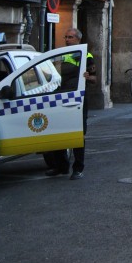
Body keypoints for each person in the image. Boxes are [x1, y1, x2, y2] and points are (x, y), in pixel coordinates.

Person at [47, 28, 97, 180]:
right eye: (66, 37)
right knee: (58, 132)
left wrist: (88, 77)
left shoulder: (86, 55)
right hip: (59, 97)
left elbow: (94, 79)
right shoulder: (60, 54)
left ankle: (78, 168)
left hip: (77, 99)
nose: (67, 39)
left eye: (70, 37)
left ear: (78, 39)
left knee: (77, 133)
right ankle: (61, 167)